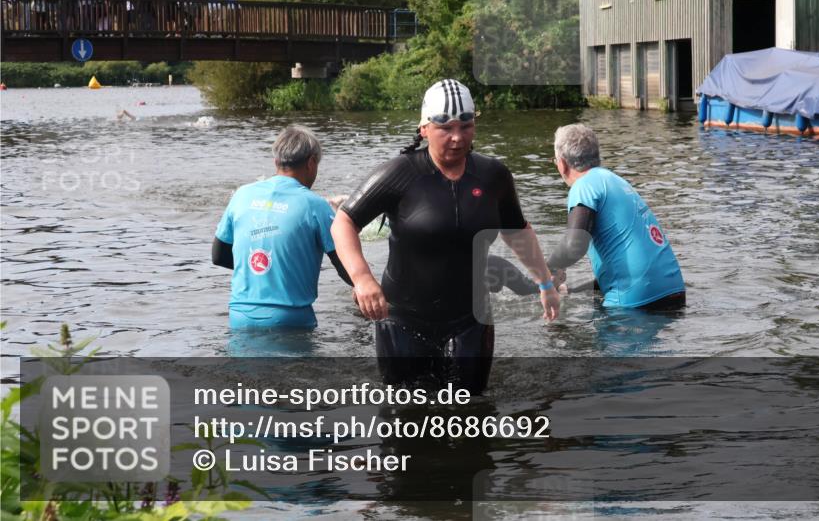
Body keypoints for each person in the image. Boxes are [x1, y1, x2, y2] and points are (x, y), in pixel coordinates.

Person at [332, 79, 559, 395]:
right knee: (405, 416)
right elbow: (343, 222)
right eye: (445, 127)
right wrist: (362, 278)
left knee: (470, 413)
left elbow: (518, 231)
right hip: (402, 320)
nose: (457, 137)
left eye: (466, 126)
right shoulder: (399, 174)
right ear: (424, 128)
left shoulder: (493, 176)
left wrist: (545, 284)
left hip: (470, 318)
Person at [213, 125, 352, 329]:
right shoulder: (317, 205)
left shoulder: (242, 195)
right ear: (312, 162)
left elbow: (218, 256)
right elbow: (345, 265)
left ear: (276, 161)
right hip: (290, 321)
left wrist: (264, 269)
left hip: (240, 317)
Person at [547, 124, 686, 310]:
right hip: (674, 291)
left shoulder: (583, 186)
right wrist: (571, 291)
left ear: (562, 164)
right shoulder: (615, 181)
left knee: (558, 333)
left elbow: (575, 245)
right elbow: (621, 265)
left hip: (637, 299)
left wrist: (548, 269)